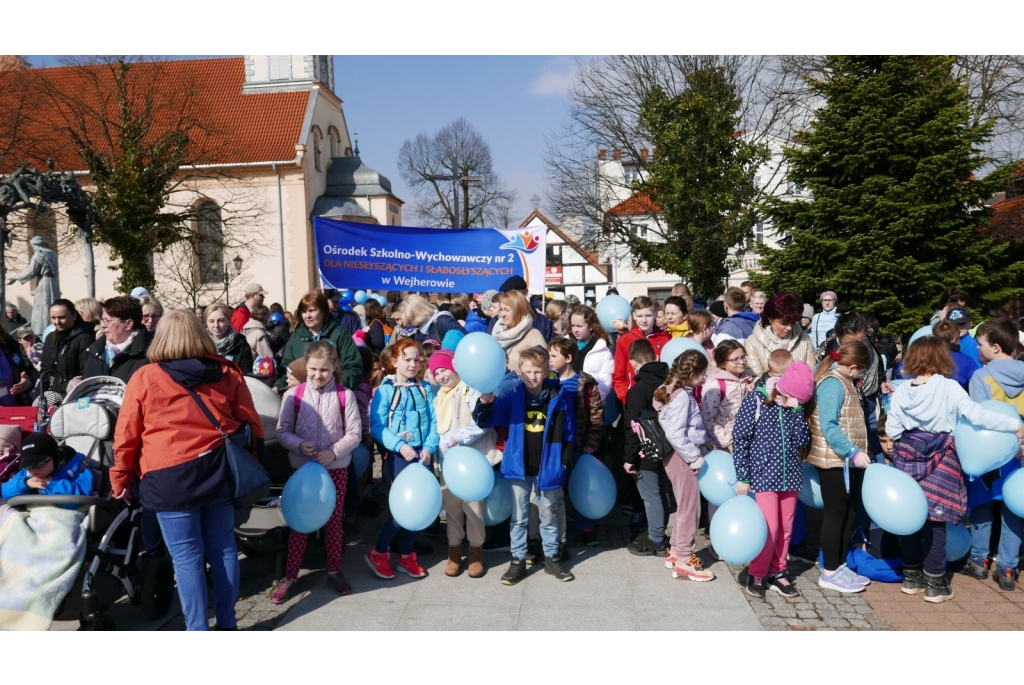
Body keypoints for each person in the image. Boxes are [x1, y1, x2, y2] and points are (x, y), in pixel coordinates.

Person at [111, 309, 265, 631]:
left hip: (168, 476)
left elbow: (126, 434)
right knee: (223, 547)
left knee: (186, 558)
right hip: (219, 470)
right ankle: (227, 623)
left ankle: (197, 630)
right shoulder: (227, 372)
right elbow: (252, 424)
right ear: (200, 334)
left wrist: (121, 477)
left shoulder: (144, 376)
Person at [885, 336, 1024, 603]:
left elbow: (892, 430)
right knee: (937, 522)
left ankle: (911, 577)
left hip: (907, 456)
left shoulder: (902, 391)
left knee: (911, 519)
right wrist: (1012, 424)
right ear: (941, 358)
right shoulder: (949, 387)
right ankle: (936, 584)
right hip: (942, 459)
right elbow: (977, 414)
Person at [475, 347, 576, 585]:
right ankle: (517, 560)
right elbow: (484, 420)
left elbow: (570, 432)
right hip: (519, 466)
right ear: (519, 372)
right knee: (518, 518)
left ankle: (551, 557)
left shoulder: (558, 399)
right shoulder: (512, 399)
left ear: (546, 371)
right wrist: (486, 403)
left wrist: (564, 461)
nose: (532, 376)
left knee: (548, 515)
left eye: (537, 371)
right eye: (528, 371)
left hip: (548, 467)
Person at [272, 341, 361, 603]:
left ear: (334, 367)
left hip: (335, 470)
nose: (318, 375)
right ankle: (290, 576)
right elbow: (282, 430)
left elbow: (355, 433)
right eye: (312, 369)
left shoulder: (346, 395)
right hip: (303, 471)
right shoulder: (294, 395)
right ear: (305, 366)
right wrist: (299, 445)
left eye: (324, 369)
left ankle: (334, 570)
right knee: (299, 524)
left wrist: (334, 451)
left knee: (334, 523)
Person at [732, 361, 813, 599]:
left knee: (786, 530)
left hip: (791, 477)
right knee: (769, 529)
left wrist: (797, 410)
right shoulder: (756, 400)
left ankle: (778, 571)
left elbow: (801, 441)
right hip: (764, 475)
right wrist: (743, 476)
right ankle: (757, 572)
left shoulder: (794, 406)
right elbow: (741, 438)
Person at [366, 338, 438, 580]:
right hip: (398, 456)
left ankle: (407, 555)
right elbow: (376, 426)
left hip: (421, 455)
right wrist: (400, 445)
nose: (413, 364)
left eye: (417, 359)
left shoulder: (426, 388)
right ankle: (378, 552)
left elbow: (434, 422)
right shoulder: (385, 390)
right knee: (402, 509)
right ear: (394, 361)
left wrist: (429, 447)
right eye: (407, 359)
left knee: (419, 506)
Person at [807, 340, 874, 593]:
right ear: (853, 367)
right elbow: (829, 426)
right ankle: (830, 571)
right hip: (833, 460)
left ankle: (839, 564)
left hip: (843, 460)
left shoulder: (844, 381)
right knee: (835, 515)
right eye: (863, 371)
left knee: (848, 512)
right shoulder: (833, 383)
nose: (863, 376)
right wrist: (853, 451)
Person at [965, 318, 1024, 590]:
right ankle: (1008, 568)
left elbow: (978, 417)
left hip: (990, 453)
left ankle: (978, 560)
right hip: (1020, 452)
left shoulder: (982, 376)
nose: (978, 348)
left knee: (982, 503)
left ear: (997, 348)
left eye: (981, 344)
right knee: (1014, 506)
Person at [431, 348, 500, 578]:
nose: (442, 375)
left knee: (473, 508)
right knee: (451, 508)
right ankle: (453, 551)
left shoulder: (468, 389)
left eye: (444, 369)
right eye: (436, 372)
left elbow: (482, 423)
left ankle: (476, 552)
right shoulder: (438, 396)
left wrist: (458, 437)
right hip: (446, 463)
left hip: (470, 462)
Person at [655, 350, 715, 582]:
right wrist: (693, 457)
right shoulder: (681, 396)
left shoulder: (670, 388)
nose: (704, 377)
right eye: (702, 373)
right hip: (682, 457)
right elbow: (675, 432)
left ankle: (675, 551)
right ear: (691, 373)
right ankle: (684, 559)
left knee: (684, 506)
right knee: (690, 509)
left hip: (676, 456)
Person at [549, 337, 602, 547]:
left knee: (581, 486)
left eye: (554, 356)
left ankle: (585, 525)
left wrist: (592, 442)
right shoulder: (548, 382)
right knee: (556, 487)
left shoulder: (586, 383)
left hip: (579, 445)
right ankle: (555, 526)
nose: (549, 360)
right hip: (554, 446)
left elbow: (596, 416)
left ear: (569, 358)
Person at [623, 339, 672, 556]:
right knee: (663, 494)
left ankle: (657, 540)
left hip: (646, 454)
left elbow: (633, 428)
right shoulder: (669, 384)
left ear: (633, 363)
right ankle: (659, 533)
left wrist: (629, 458)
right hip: (669, 449)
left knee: (650, 496)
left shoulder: (638, 389)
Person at [275, 292, 364, 393]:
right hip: (302, 398)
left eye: (312, 310)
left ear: (323, 311)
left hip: (332, 397)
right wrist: (278, 386)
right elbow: (287, 367)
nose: (307, 316)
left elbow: (354, 367)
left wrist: (337, 389)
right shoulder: (297, 335)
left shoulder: (339, 333)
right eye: (304, 312)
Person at [611, 296, 671, 403]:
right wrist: (626, 397)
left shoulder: (665, 339)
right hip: (634, 398)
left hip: (661, 399)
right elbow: (618, 376)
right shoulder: (625, 340)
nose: (644, 320)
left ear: (656, 315)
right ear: (634, 316)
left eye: (648, 315)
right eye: (640, 316)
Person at [746, 291, 816, 378]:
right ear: (770, 319)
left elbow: (811, 374)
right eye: (784, 323)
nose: (789, 328)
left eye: (793, 322)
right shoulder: (753, 342)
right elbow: (755, 378)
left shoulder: (805, 339)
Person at [1, 433, 93, 499]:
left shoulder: (77, 467)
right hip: (34, 511)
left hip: (65, 512)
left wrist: (51, 485)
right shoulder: (27, 473)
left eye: (40, 464)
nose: (34, 469)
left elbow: (83, 494)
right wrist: (25, 484)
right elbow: (5, 491)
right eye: (29, 466)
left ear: (55, 459)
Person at [81, 295, 151, 383]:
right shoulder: (95, 351)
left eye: (109, 321)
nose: (103, 325)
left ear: (128, 324)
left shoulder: (149, 354)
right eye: (103, 320)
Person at [701, 340, 753, 452]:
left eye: (743, 357)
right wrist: (728, 443)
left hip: (747, 439)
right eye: (735, 359)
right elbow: (708, 420)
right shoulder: (715, 385)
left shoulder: (748, 379)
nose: (742, 362)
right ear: (723, 363)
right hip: (725, 445)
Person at [39, 299, 95, 398]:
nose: (57, 322)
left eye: (61, 317)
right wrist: (39, 394)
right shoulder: (51, 338)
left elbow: (86, 372)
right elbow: (45, 370)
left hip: (75, 396)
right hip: (51, 395)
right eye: (53, 318)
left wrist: (65, 387)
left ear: (74, 316)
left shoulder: (84, 338)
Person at [9, 236, 60, 335]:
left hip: (44, 282)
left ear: (36, 245)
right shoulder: (52, 254)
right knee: (52, 303)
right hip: (53, 282)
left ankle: (42, 329)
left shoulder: (39, 255)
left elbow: (31, 271)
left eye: (32, 245)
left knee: (43, 306)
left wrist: (15, 277)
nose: (32, 248)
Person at [491, 291, 547, 371]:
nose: (503, 314)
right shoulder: (497, 334)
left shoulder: (534, 336)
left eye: (507, 310)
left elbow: (541, 370)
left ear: (519, 311)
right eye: (501, 309)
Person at [568, 304, 614, 402]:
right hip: (567, 401)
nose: (575, 330)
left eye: (579, 326)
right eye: (573, 326)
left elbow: (605, 381)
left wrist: (590, 401)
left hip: (590, 405)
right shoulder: (565, 345)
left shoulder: (602, 350)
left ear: (591, 326)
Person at [492, 276, 555, 342]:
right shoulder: (496, 322)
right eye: (508, 295)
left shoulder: (544, 322)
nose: (512, 298)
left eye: (516, 294)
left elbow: (549, 350)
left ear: (525, 293)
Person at [394, 293, 467, 345]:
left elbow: (466, 340)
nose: (409, 323)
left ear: (416, 314)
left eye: (410, 319)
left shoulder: (442, 320)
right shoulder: (419, 334)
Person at [205, 303, 253, 373]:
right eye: (211, 321)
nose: (216, 325)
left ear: (229, 321)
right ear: (206, 322)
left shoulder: (241, 345)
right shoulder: (200, 345)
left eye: (221, 320)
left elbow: (246, 376)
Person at [932, 320, 980, 390]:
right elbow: (976, 384)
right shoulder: (966, 361)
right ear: (954, 339)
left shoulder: (926, 358)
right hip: (958, 398)